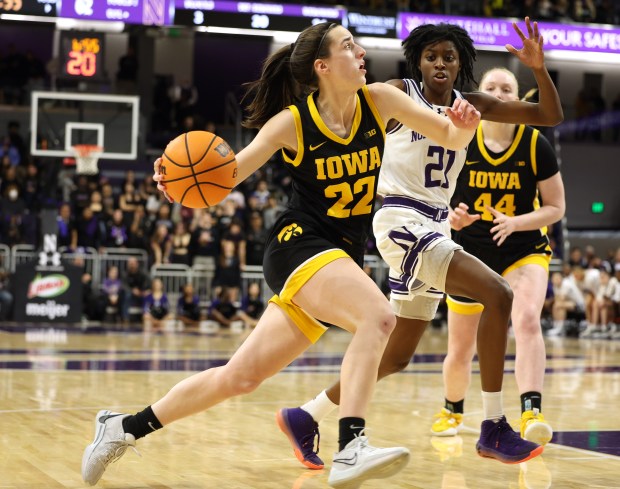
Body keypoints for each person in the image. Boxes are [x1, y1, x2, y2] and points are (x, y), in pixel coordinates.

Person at [81, 22, 481, 488]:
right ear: (323, 66)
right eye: (349, 46)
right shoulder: (292, 123)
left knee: (240, 377)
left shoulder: (381, 101)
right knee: (379, 317)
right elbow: (226, 176)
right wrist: (173, 176)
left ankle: (123, 427)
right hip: (298, 245)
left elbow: (450, 138)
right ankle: (351, 446)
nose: (362, 52)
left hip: (339, 256)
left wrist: (464, 128)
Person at [276, 17, 563, 469]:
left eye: (449, 56)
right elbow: (340, 104)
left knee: (397, 356)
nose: (440, 63)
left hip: (436, 226)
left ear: (461, 62)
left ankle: (306, 414)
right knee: (498, 294)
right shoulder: (397, 94)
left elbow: (549, 117)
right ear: (418, 61)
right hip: (399, 219)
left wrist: (540, 70)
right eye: (431, 56)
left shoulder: (472, 104)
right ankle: (493, 426)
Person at [435, 67, 565, 447]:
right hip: (471, 252)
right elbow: (436, 196)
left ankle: (531, 410)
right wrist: (451, 217)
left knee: (526, 319)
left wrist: (517, 221)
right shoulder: (460, 138)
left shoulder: (534, 142)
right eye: (490, 87)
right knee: (460, 348)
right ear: (480, 96)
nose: (499, 93)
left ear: (518, 97)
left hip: (523, 249)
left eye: (506, 88)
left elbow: (556, 207)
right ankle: (452, 408)